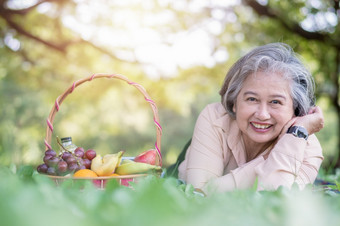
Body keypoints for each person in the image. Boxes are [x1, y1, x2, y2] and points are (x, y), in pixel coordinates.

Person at [177, 42, 324, 195]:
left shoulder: (307, 147)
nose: (262, 114)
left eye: (275, 102)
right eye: (252, 99)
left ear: (295, 110)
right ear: (235, 102)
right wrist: (269, 160)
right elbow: (198, 194)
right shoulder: (214, 117)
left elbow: (274, 199)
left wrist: (290, 141)